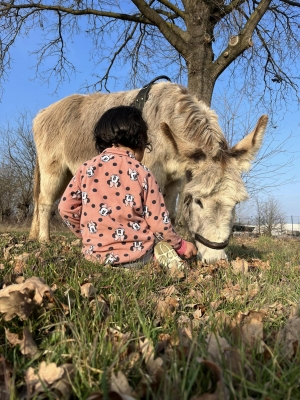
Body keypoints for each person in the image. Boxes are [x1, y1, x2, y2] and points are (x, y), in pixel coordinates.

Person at [58, 105, 197, 269]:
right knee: (156, 250)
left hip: (94, 257)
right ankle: (158, 259)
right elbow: (159, 222)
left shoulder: (86, 169)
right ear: (141, 141)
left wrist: (87, 234)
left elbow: (66, 208)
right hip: (137, 259)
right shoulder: (143, 173)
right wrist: (181, 246)